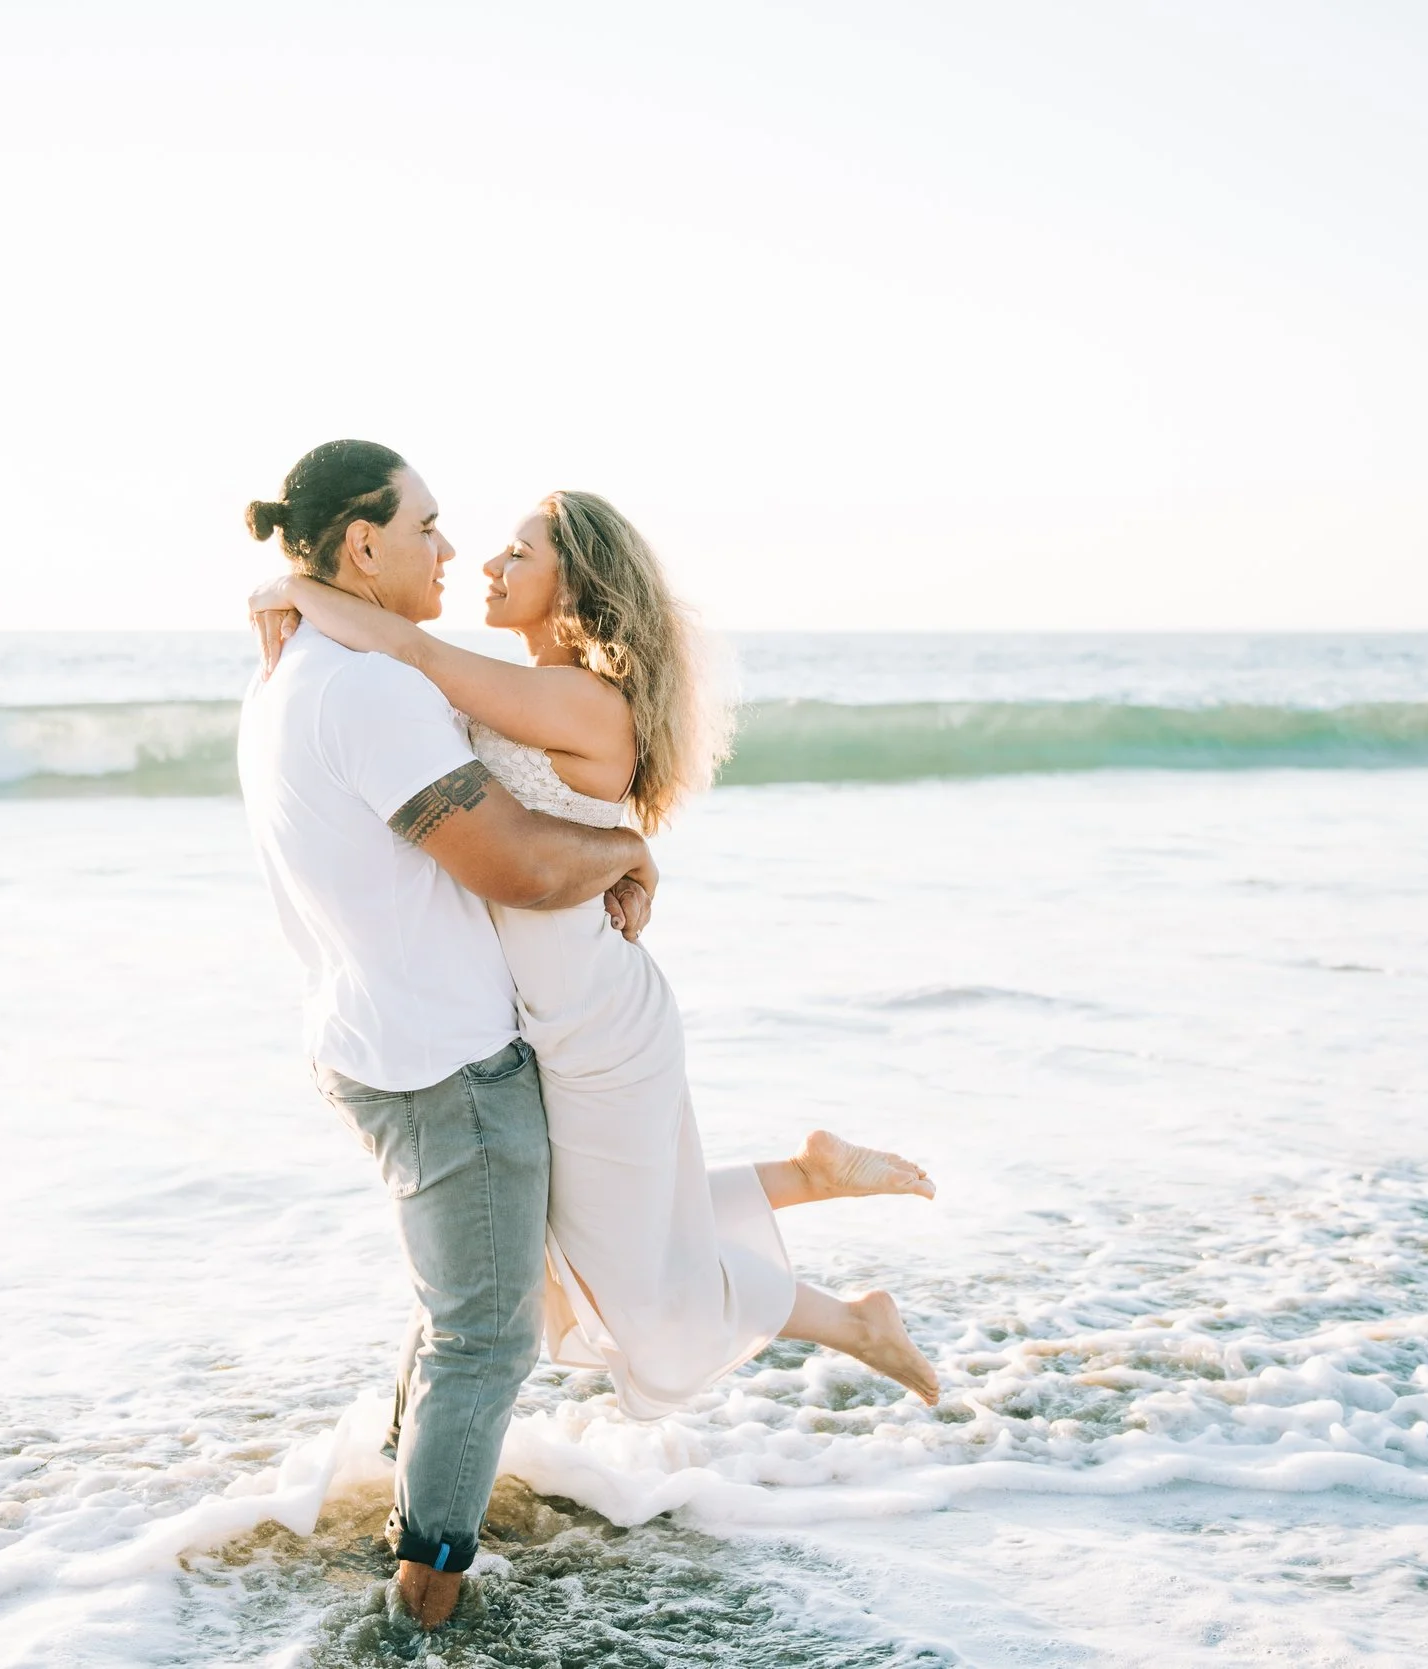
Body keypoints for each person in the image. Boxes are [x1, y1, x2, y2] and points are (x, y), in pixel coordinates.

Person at [247, 486, 939, 1453]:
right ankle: (808, 1176)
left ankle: (857, 1320)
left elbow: (409, 652)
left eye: (518, 555)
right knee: (591, 1232)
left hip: (597, 1020)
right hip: (554, 1011)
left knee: (639, 1291)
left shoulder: (577, 696)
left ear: (576, 588)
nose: (487, 566)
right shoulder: (526, 686)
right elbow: (402, 679)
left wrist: (293, 585)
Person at [236, 440, 656, 1631]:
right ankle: (422, 1596)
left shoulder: (290, 673)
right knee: (485, 1332)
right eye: (427, 526)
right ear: (361, 544)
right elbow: (516, 864)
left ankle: (397, 1502)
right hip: (443, 1059)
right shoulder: (368, 689)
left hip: (367, 1036)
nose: (449, 548)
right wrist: (625, 851)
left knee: (448, 1300)